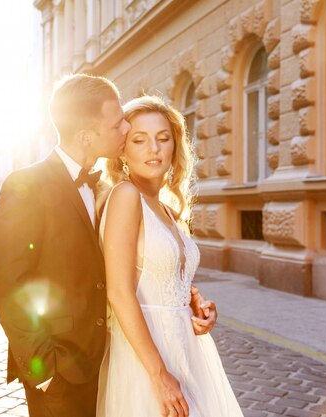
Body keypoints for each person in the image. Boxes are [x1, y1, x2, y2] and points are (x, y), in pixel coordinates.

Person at [0, 74, 217, 417]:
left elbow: (131, 265)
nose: (126, 129)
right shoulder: (27, 185)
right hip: (61, 372)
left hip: (112, 359)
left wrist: (188, 295)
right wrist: (44, 372)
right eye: (118, 125)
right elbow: (8, 283)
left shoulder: (105, 191)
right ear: (86, 135)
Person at [96, 95, 243, 417]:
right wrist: (159, 375)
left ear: (175, 146)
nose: (154, 149)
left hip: (186, 348)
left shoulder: (167, 208)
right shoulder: (126, 196)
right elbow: (119, 292)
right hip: (147, 356)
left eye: (163, 139)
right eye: (140, 139)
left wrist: (195, 303)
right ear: (122, 148)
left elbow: (160, 275)